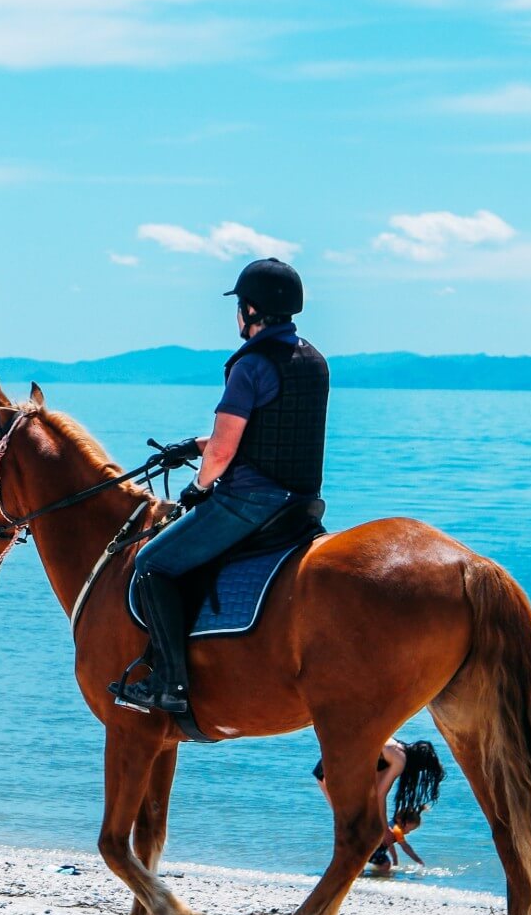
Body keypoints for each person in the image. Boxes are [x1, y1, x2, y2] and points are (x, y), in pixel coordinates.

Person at [111, 257, 329, 713]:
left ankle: (169, 685)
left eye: (239, 306)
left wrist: (197, 487)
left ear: (251, 310)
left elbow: (225, 453)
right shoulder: (311, 360)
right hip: (301, 503)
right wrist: (192, 446)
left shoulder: (248, 367)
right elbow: (267, 431)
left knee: (151, 563)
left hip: (251, 501)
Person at [313, 738, 445, 874]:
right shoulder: (400, 759)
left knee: (352, 827)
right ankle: (345, 875)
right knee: (352, 826)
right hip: (335, 770)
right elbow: (379, 795)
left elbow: (373, 792)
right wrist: (384, 829)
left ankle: (353, 874)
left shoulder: (392, 746)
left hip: (329, 764)